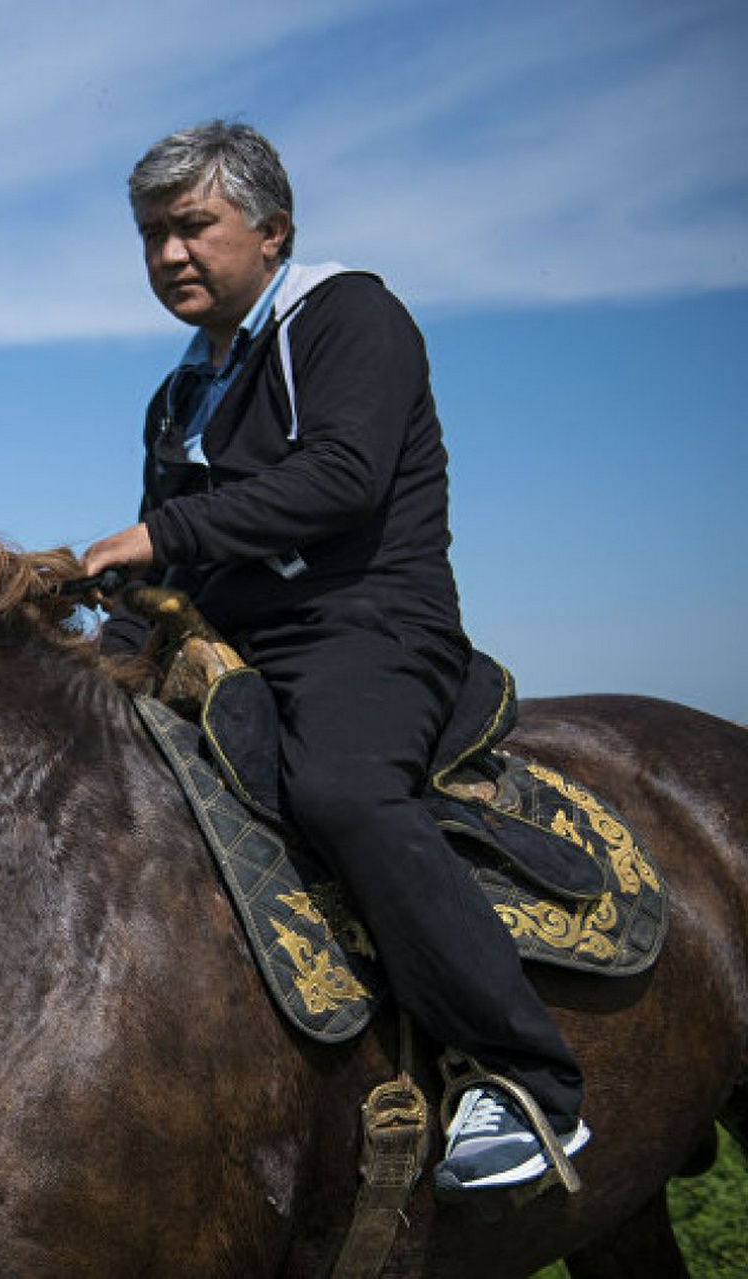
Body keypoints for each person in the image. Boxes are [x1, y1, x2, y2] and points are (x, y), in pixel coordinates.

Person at [83, 120, 588, 1198]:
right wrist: (94, 650)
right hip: (241, 642)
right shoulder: (178, 395)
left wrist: (162, 537)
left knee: (343, 790)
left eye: (192, 227)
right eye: (150, 235)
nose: (169, 254)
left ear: (272, 230)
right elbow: (166, 577)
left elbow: (345, 479)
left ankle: (529, 1077)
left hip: (371, 625)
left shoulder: (352, 317)